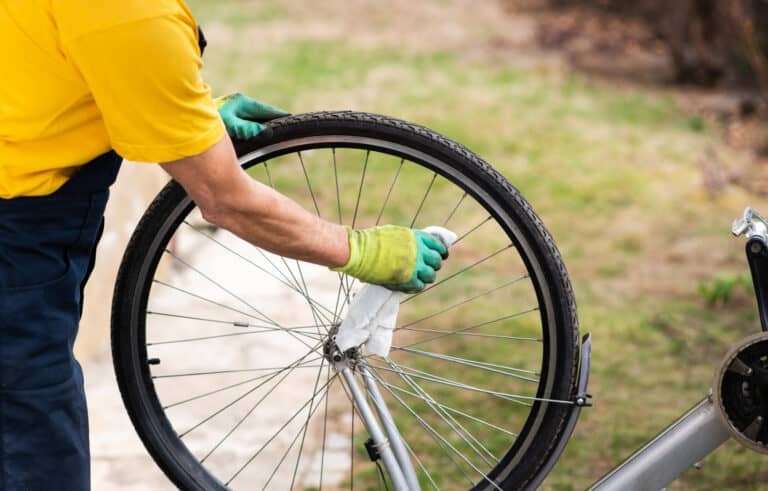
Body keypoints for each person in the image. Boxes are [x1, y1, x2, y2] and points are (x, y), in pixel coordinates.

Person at [0, 1, 448, 489]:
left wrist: (177, 116)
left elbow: (53, 65)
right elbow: (226, 200)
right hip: (15, 236)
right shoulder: (131, 14)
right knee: (33, 437)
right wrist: (362, 251)